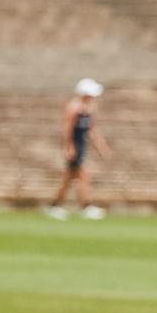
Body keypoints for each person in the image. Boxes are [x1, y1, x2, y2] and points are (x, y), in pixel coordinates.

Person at [45, 78, 111, 221]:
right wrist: (68, 147)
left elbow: (91, 129)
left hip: (81, 145)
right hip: (75, 146)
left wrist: (101, 145)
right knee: (82, 176)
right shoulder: (73, 108)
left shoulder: (90, 109)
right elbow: (67, 129)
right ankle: (86, 206)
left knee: (68, 179)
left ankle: (54, 205)